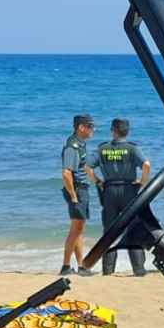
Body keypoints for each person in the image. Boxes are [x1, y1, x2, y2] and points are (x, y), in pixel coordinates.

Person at [95, 117, 152, 277]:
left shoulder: (103, 148)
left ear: (113, 130)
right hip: (129, 190)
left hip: (110, 190)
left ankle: (108, 270)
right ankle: (139, 270)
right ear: (127, 131)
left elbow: (86, 166)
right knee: (133, 228)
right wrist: (142, 182)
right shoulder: (132, 149)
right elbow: (146, 165)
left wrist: (97, 181)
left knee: (109, 231)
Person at [60, 114, 96, 276]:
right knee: (76, 229)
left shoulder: (81, 144)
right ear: (81, 127)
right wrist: (73, 196)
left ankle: (81, 265)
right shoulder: (72, 146)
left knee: (79, 228)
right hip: (77, 190)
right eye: (90, 127)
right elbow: (66, 173)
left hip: (82, 189)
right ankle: (66, 266)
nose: (93, 130)